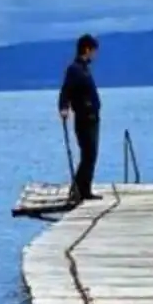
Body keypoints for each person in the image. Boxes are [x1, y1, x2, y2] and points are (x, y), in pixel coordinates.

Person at [58, 33, 102, 202]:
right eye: (93, 51)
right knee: (88, 154)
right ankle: (80, 189)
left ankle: (83, 188)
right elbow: (66, 91)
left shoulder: (84, 68)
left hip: (92, 117)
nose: (95, 55)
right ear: (87, 49)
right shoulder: (75, 69)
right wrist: (63, 108)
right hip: (84, 118)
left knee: (91, 154)